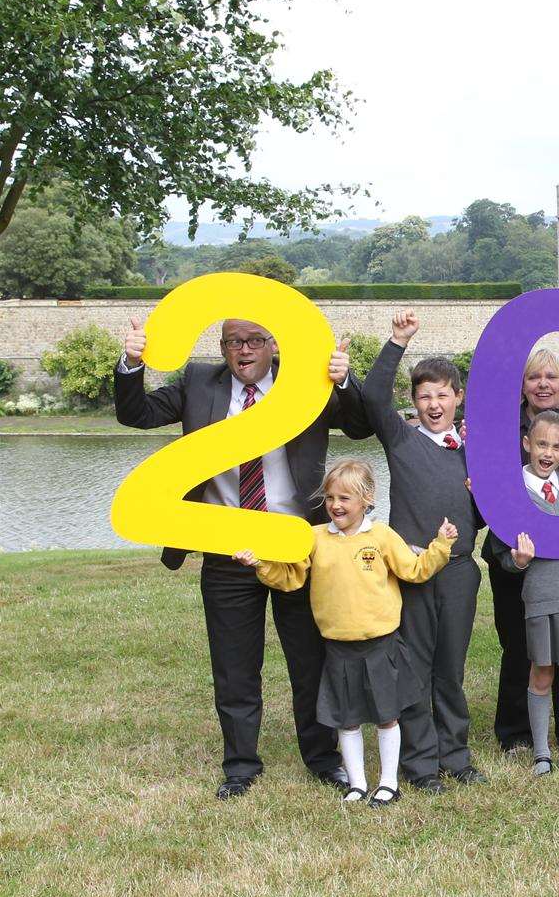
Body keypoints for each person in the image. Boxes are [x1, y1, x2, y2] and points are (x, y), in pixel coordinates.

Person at [113, 316, 371, 799]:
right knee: (234, 664)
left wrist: (345, 381)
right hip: (228, 548)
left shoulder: (307, 380)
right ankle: (240, 766)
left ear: (274, 344)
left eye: (254, 340)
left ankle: (321, 759)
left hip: (296, 550)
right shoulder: (197, 381)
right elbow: (137, 414)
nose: (244, 350)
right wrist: (131, 363)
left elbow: (360, 425)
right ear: (223, 348)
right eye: (234, 342)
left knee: (310, 661)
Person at [234, 459, 456, 807]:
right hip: (337, 648)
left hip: (381, 645)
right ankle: (356, 783)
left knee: (387, 716)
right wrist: (260, 564)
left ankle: (387, 783)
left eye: (345, 499)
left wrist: (440, 547)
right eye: (330, 498)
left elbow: (414, 570)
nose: (335, 505)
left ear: (367, 499)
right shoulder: (315, 537)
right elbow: (290, 578)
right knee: (346, 720)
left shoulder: (381, 536)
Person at [360, 312, 486, 792]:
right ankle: (420, 763)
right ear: (413, 402)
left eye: (443, 395)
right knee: (414, 666)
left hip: (458, 572)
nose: (434, 404)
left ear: (458, 398)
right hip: (412, 572)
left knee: (450, 668)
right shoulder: (402, 439)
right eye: (424, 396)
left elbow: (491, 512)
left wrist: (482, 496)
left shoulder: (475, 450)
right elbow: (372, 397)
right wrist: (396, 342)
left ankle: (456, 754)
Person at [480, 347, 559, 754]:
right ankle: (517, 734)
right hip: (518, 558)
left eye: (552, 376)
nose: (543, 384)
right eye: (534, 376)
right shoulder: (497, 427)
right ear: (522, 384)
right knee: (521, 645)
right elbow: (485, 482)